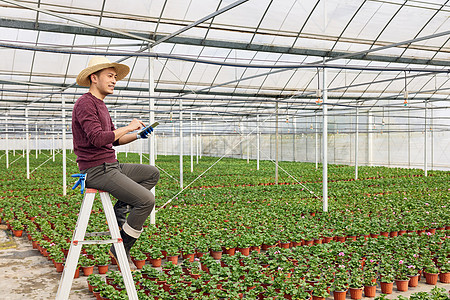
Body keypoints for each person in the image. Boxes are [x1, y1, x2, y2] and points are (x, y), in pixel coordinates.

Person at [72, 56, 160, 265]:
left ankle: (121, 211)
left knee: (152, 173)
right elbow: (97, 138)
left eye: (115, 77)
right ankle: (122, 245)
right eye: (110, 76)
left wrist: (137, 135)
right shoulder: (85, 103)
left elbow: (114, 139)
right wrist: (128, 126)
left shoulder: (101, 105)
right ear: (94, 77)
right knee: (147, 201)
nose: (114, 81)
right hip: (96, 170)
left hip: (110, 165)